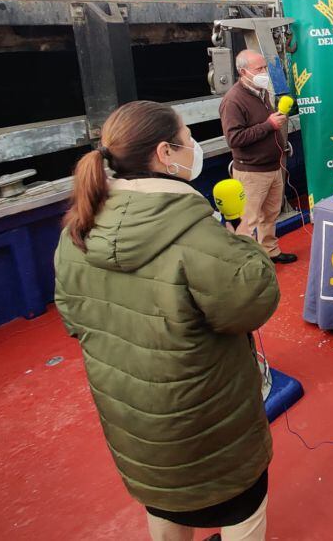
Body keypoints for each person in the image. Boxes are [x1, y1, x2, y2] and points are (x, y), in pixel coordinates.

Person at [54, 100, 280, 541]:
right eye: (186, 137)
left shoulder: (75, 232)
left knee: (164, 500)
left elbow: (73, 317)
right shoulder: (197, 234)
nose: (193, 144)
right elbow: (254, 302)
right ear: (164, 154)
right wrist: (239, 237)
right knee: (242, 510)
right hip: (208, 423)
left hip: (134, 423)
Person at [219, 50, 296, 264]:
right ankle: (248, 262)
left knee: (270, 214)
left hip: (272, 167)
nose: (264, 72)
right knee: (248, 220)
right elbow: (234, 138)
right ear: (243, 72)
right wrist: (268, 126)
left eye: (265, 67)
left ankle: (270, 251)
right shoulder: (233, 101)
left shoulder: (261, 92)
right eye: (259, 68)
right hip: (251, 173)